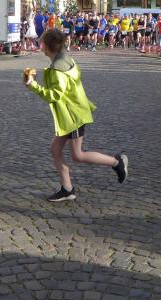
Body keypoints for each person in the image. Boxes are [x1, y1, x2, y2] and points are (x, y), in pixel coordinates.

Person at [24, 29, 129, 202]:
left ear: (46, 47)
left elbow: (55, 95)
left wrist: (32, 85)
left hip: (73, 115)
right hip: (71, 113)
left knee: (78, 155)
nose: (40, 46)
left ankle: (117, 162)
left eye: (42, 43)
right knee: (55, 149)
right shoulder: (66, 60)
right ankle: (67, 189)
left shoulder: (57, 69)